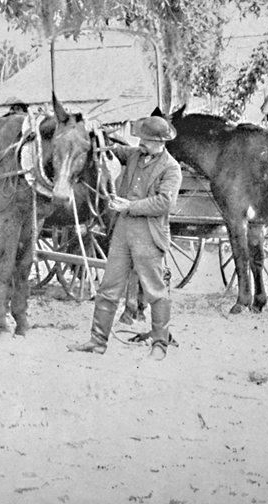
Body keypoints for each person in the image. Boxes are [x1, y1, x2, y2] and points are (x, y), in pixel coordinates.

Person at [69, 115, 182, 359]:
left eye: (145, 140)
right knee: (109, 288)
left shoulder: (171, 168)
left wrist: (129, 206)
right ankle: (97, 341)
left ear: (159, 142)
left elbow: (165, 202)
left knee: (155, 291)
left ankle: (160, 345)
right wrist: (94, 131)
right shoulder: (134, 155)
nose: (140, 142)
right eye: (140, 139)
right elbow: (110, 148)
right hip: (122, 233)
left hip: (149, 235)